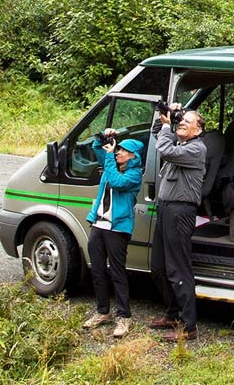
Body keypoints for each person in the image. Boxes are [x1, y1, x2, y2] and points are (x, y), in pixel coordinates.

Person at [149, 106, 207, 342]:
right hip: (166, 208)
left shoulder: (196, 148)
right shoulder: (180, 144)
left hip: (180, 211)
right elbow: (156, 133)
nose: (182, 123)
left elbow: (164, 149)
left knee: (178, 268)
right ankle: (172, 314)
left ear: (198, 130)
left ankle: (189, 326)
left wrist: (167, 126)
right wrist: (165, 116)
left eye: (187, 121)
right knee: (159, 266)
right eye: (181, 119)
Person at [82, 132, 144, 338]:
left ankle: (124, 317)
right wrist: (103, 138)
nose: (118, 152)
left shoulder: (134, 175)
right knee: (97, 270)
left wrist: (109, 157)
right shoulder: (111, 164)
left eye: (124, 151)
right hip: (99, 224)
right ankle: (103, 312)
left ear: (134, 156)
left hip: (118, 228)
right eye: (119, 149)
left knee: (117, 272)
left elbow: (117, 183)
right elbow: (97, 149)